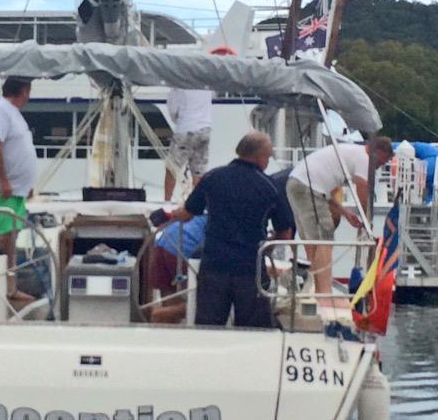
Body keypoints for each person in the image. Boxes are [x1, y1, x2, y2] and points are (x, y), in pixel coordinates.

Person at [169, 131, 292, 327]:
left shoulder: (212, 178)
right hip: (250, 269)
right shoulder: (270, 187)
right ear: (260, 157)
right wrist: (267, 246)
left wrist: (169, 213)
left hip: (214, 265)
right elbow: (284, 233)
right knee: (253, 330)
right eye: (268, 157)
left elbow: (188, 213)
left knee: (209, 327)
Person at [286, 136, 393, 301]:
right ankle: (324, 293)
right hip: (309, 187)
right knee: (324, 238)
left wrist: (346, 213)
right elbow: (362, 186)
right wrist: (365, 218)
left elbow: (325, 195)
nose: (378, 167)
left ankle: (314, 286)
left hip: (296, 183)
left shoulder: (348, 153)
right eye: (381, 162)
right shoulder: (364, 158)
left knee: (312, 240)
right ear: (378, 152)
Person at [0, 77, 37, 304]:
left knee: (11, 237)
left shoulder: (13, 113)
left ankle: (10, 288)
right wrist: (3, 180)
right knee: (2, 238)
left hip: (15, 190)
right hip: (2, 189)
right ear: (24, 90)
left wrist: (25, 184)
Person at [164, 87, 213, 200]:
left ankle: (167, 200)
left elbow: (173, 111)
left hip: (186, 129)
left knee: (172, 167)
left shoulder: (178, 87)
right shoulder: (206, 85)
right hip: (205, 129)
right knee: (198, 170)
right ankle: (197, 203)